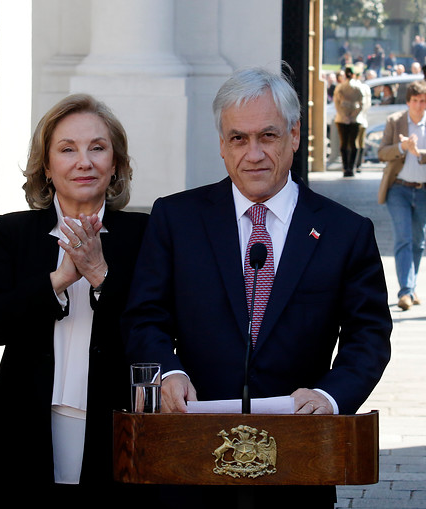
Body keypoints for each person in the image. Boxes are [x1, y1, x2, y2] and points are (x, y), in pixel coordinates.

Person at [123, 65, 392, 509]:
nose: (253, 154)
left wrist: (330, 397)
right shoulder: (176, 219)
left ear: (294, 135)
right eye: (238, 139)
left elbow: (369, 336)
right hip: (192, 460)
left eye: (267, 136)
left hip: (297, 464)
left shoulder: (346, 232)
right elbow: (144, 316)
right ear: (222, 145)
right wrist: (168, 372)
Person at [0, 94, 149, 506]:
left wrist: (100, 275)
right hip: (24, 427)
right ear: (46, 167)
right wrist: (59, 279)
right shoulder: (13, 232)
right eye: (67, 150)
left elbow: (155, 325)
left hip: (118, 427)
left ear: (116, 164)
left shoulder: (145, 234)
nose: (84, 162)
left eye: (97, 148)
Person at [378, 80, 426, 311]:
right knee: (404, 238)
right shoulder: (395, 121)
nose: (418, 105)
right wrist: (402, 147)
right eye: (414, 101)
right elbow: (382, 152)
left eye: (422, 101)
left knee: (418, 241)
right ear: (408, 101)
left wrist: (421, 153)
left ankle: (411, 286)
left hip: (424, 190)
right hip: (398, 188)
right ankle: (405, 291)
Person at [333, 67, 368, 176]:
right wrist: (353, 115)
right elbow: (362, 104)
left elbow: (336, 103)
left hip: (342, 118)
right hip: (354, 119)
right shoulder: (358, 87)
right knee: (353, 143)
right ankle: (351, 167)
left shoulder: (340, 87)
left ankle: (345, 167)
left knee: (344, 143)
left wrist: (344, 116)